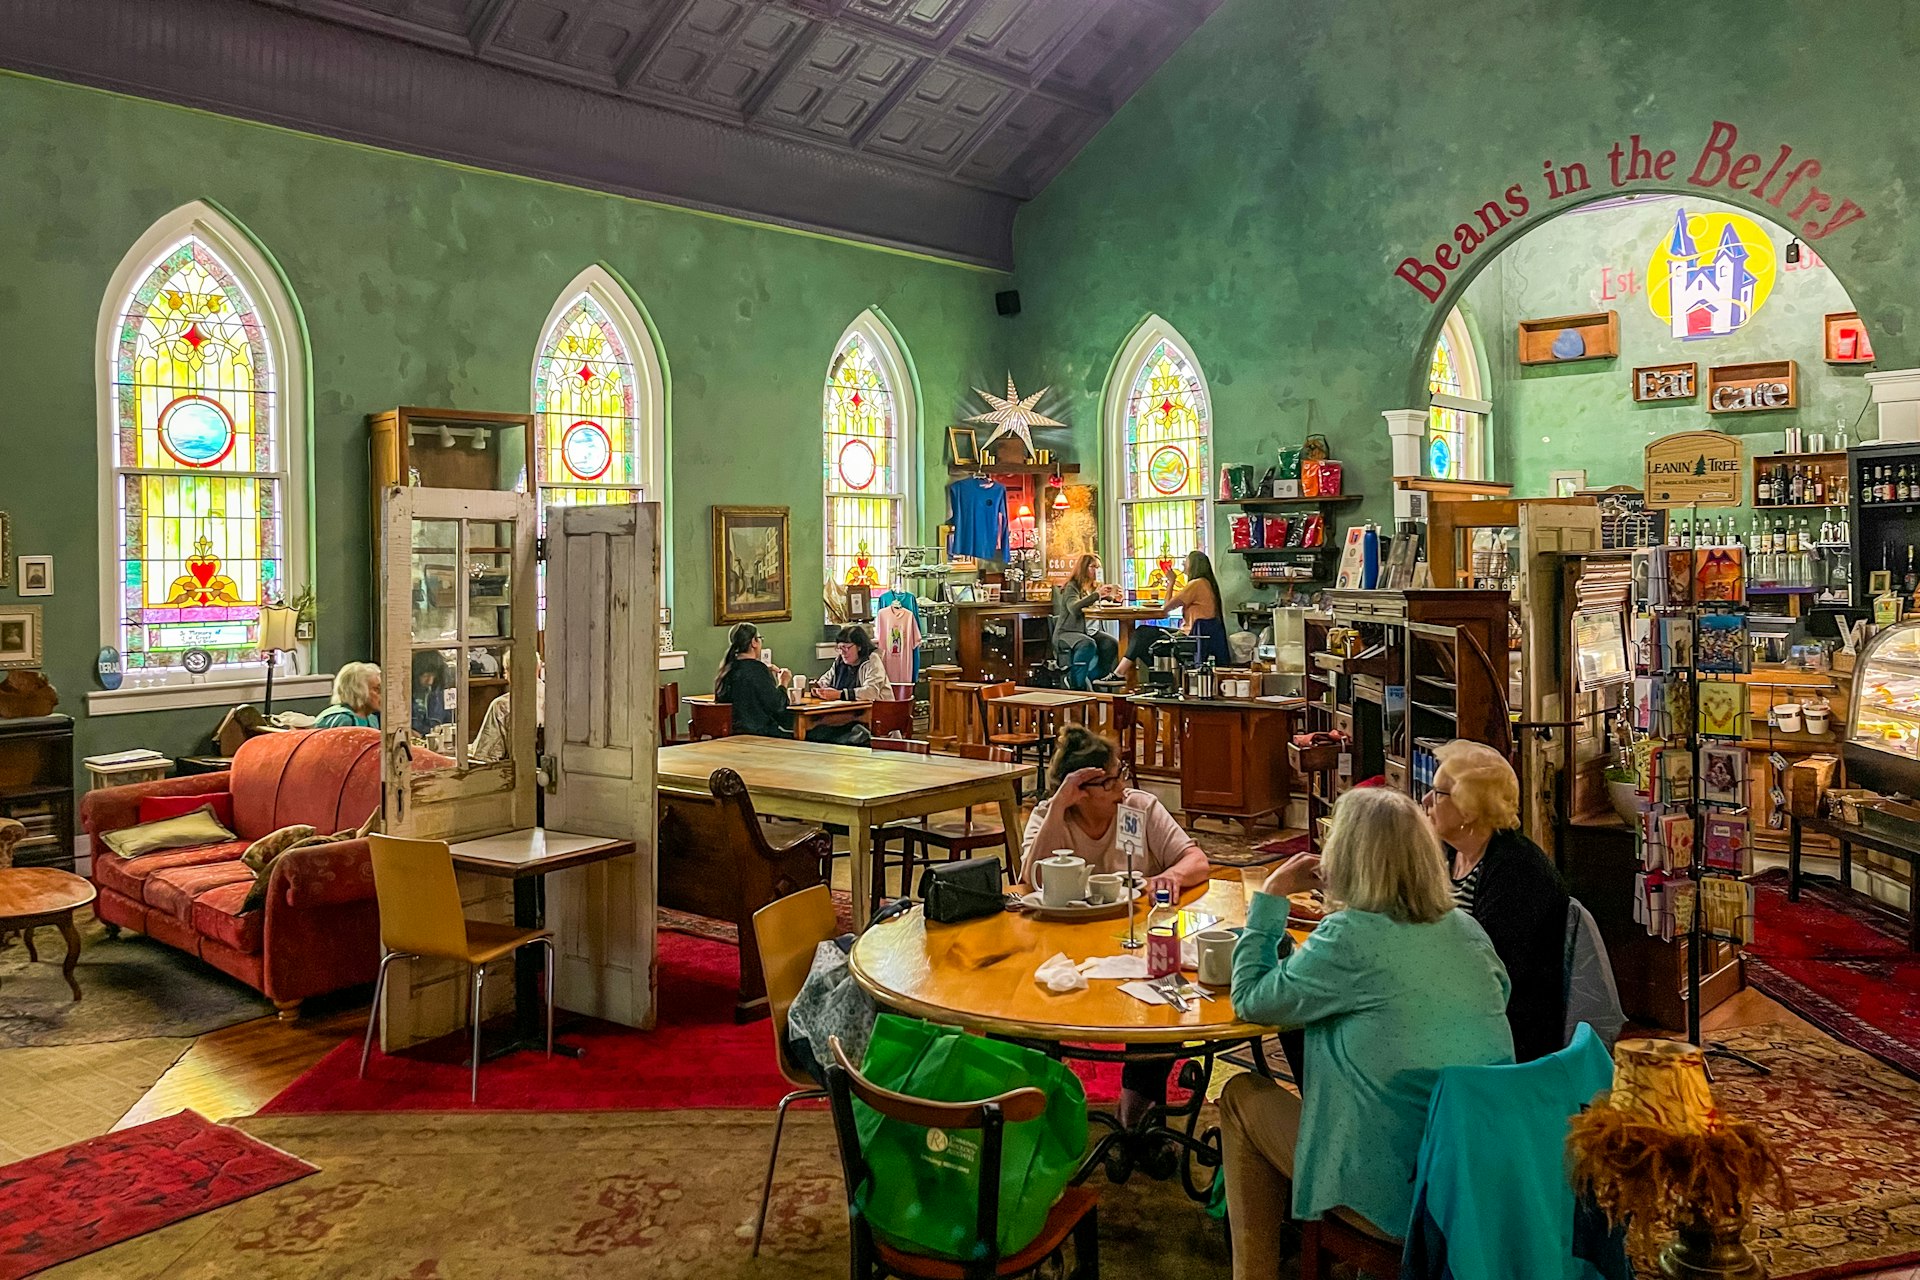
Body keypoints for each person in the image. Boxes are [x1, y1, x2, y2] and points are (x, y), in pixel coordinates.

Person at [1219, 788, 1513, 1275]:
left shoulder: (1349, 936)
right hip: (1477, 1176)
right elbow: (1489, 999)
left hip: (1397, 1194)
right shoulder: (1468, 928)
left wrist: (1270, 894)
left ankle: (1256, 1271)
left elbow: (1250, 999)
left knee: (1239, 1096)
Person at [1020, 727, 1211, 1127]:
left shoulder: (1140, 807)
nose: (1123, 784)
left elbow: (1196, 860)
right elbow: (1029, 879)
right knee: (1024, 1004)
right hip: (1065, 949)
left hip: (1138, 944)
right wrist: (1058, 806)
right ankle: (1040, 1114)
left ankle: (1141, 1112)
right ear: (1082, 789)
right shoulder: (1050, 815)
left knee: (1164, 1000)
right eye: (1111, 778)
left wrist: (1172, 876)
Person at [1424, 739, 1570, 1063]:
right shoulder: (1452, 854)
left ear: (1469, 807)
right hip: (1461, 1005)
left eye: (1438, 793)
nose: (1425, 800)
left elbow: (1489, 974)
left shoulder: (1515, 871)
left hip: (1508, 1029)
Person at [715, 622, 870, 745]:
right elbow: (778, 706)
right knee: (820, 732)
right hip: (761, 734)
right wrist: (782, 683)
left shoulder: (727, 670)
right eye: (759, 639)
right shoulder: (757, 670)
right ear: (754, 642)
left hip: (734, 733)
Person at [1105, 550, 1230, 682]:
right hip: (1195, 635)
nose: (1182, 563)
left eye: (1186, 560)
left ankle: (1122, 673)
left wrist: (1171, 582)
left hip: (1189, 637)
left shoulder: (1197, 584)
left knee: (1141, 635)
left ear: (1193, 564)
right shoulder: (1207, 583)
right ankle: (1163, 677)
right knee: (1142, 638)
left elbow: (1166, 608)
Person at [1051, 554, 1119, 680]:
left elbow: (1106, 601)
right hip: (1068, 632)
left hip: (1090, 631)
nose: (1096, 570)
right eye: (1093, 567)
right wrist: (1097, 595)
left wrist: (1116, 599)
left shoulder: (1095, 587)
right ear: (1083, 568)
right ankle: (1075, 681)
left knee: (1111, 644)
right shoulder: (1072, 586)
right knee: (1087, 644)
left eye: (1099, 567)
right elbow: (1074, 608)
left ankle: (1096, 678)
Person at [815, 625, 893, 702]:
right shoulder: (840, 661)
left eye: (846, 647)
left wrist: (840, 694)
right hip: (849, 709)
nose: (842, 652)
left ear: (859, 647)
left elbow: (870, 692)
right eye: (839, 648)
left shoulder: (872, 660)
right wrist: (820, 688)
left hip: (878, 710)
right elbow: (826, 679)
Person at [314, 662, 381, 728]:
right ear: (358, 691)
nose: (382, 694)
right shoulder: (343, 719)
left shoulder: (372, 719)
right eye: (376, 689)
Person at [410, 649, 453, 736]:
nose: (430, 681)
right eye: (425, 676)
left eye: (434, 676)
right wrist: (408, 732)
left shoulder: (442, 695)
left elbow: (450, 722)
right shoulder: (403, 695)